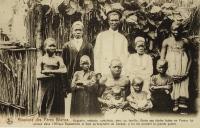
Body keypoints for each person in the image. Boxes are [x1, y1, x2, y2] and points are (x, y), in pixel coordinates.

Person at [160, 21, 192, 114]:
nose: (176, 32)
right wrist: (166, 74)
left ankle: (182, 107)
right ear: (171, 29)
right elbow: (162, 60)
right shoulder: (166, 42)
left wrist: (186, 73)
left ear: (182, 30)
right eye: (174, 30)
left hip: (183, 70)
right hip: (170, 70)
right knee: (172, 86)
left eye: (179, 30)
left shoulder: (185, 42)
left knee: (183, 86)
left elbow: (190, 59)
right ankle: (173, 106)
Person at [36, 38, 67, 117]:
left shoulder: (59, 59)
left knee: (57, 108)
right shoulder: (41, 59)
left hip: (57, 87)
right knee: (44, 105)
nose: (52, 48)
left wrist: (48, 72)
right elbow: (38, 75)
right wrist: (51, 76)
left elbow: (64, 71)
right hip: (45, 87)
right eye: (50, 46)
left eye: (54, 46)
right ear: (45, 47)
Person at [94, 10, 129, 76]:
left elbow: (125, 58)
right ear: (108, 21)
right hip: (104, 71)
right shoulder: (101, 36)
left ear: (119, 21)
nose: (114, 22)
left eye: (116, 20)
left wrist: (125, 73)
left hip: (118, 73)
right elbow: (96, 55)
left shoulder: (123, 38)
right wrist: (98, 72)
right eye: (112, 20)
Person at [62, 21, 94, 93]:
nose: (78, 32)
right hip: (70, 78)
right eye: (76, 30)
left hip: (85, 80)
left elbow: (92, 64)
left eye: (80, 30)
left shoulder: (88, 46)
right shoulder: (66, 46)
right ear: (72, 31)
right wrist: (64, 84)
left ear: (83, 32)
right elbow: (63, 65)